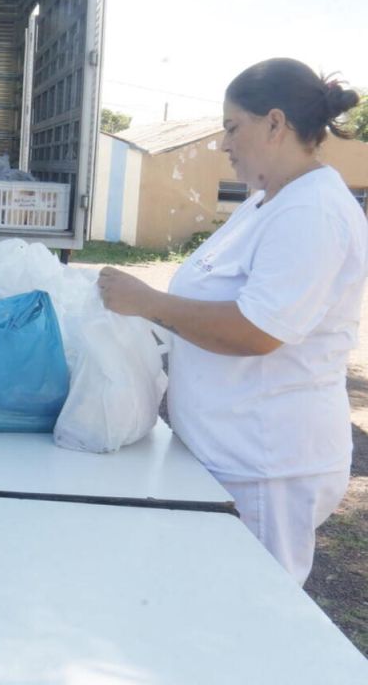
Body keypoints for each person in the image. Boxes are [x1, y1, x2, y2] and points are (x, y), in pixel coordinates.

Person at [98, 58, 366, 585]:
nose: (223, 143)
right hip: (229, 454)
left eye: (231, 127)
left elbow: (256, 331)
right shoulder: (268, 201)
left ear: (274, 123)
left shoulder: (311, 212)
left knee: (255, 622)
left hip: (268, 465)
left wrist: (146, 302)